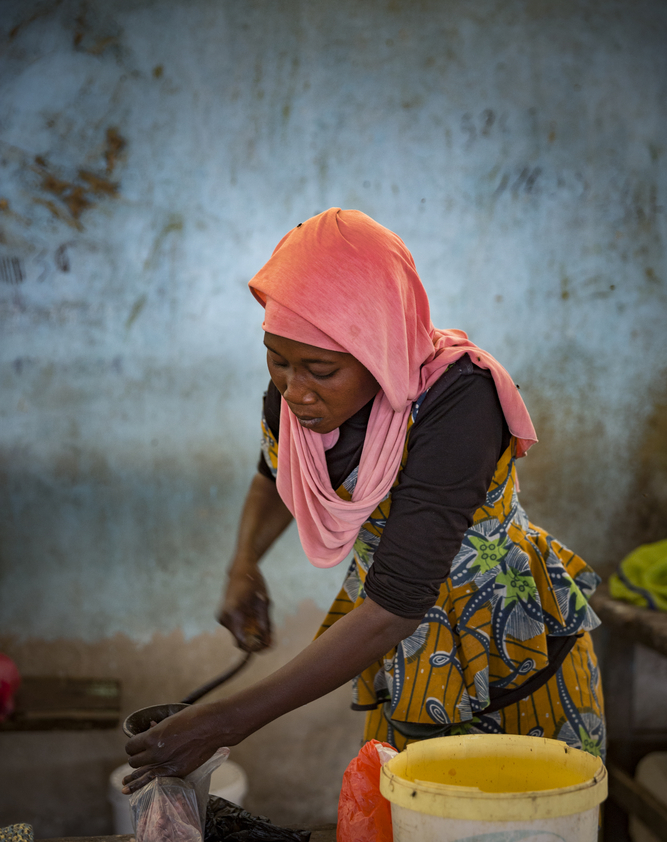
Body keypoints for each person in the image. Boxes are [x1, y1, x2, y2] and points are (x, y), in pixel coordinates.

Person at [123, 208, 605, 794]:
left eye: (320, 369)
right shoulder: (295, 400)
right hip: (403, 668)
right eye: (277, 360)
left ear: (376, 345)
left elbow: (399, 602)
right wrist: (244, 562)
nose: (295, 390)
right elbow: (276, 475)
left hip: (514, 662)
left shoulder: (460, 402)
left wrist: (226, 721)